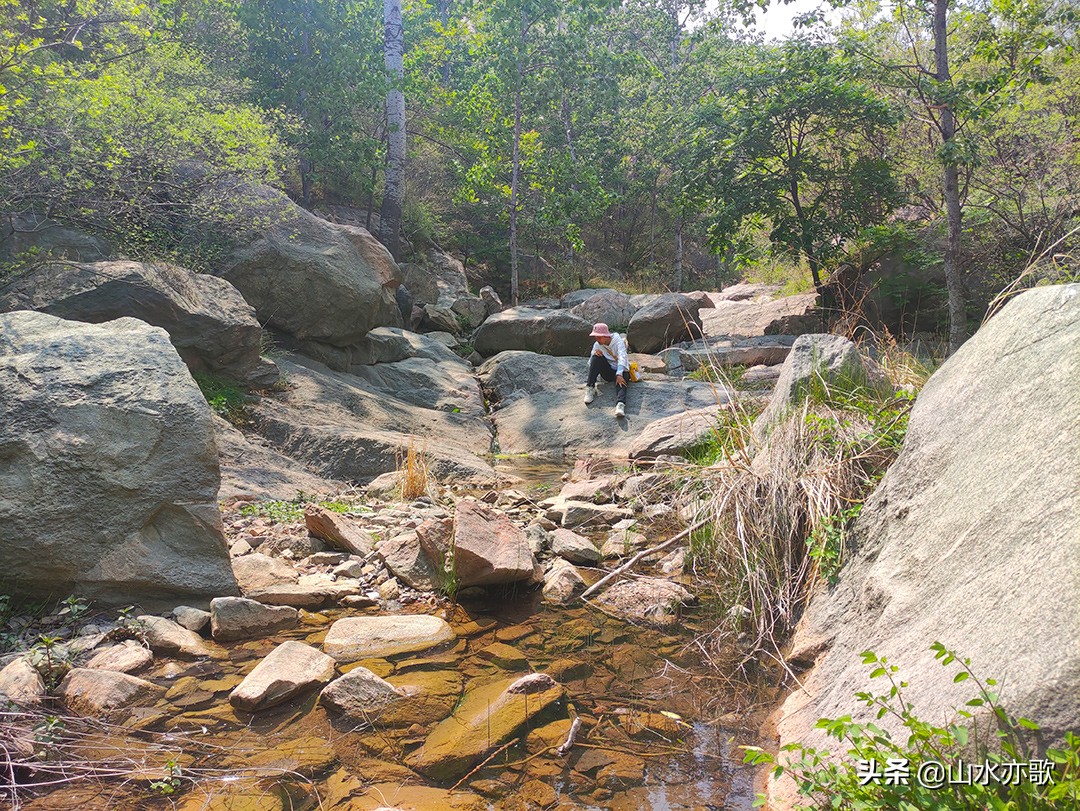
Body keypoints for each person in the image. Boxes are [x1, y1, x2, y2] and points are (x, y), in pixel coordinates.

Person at [584, 322, 629, 418]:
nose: (597, 340)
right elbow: (591, 364)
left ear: (605, 335)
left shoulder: (617, 341)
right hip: (608, 371)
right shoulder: (597, 344)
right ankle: (590, 388)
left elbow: (622, 357)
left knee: (622, 381)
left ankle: (620, 404)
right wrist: (595, 353)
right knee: (596, 357)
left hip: (621, 370)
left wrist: (619, 374)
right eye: (596, 337)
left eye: (599, 337)